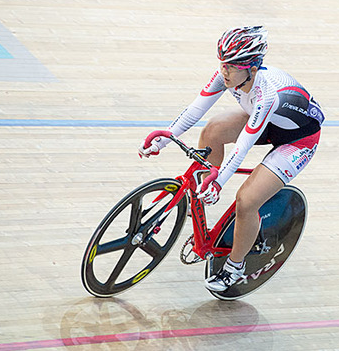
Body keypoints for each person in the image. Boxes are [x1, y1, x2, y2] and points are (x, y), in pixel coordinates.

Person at [138, 26, 324, 292]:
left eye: (233, 66)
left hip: (297, 141)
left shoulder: (267, 93)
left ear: (252, 68)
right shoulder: (226, 74)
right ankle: (202, 199)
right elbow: (195, 110)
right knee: (212, 130)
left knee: (247, 201)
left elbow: (243, 145)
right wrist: (163, 140)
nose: (224, 71)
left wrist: (220, 181)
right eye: (223, 63)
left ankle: (235, 267)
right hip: (270, 123)